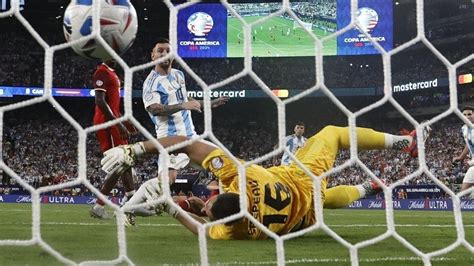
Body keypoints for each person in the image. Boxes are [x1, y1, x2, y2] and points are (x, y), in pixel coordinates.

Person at [101, 125, 425, 239]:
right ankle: (402, 142)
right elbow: (185, 142)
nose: (206, 199)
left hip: (300, 215)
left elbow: (204, 229)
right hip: (299, 178)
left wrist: (176, 210)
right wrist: (136, 150)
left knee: (323, 200)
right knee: (332, 133)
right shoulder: (239, 174)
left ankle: (368, 188)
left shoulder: (241, 230)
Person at [122, 38, 229, 222]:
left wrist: (211, 103)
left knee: (222, 163)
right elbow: (154, 108)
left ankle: (227, 210)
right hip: (170, 138)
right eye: (160, 51)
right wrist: (183, 105)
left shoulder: (179, 75)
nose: (164, 54)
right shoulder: (151, 82)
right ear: (153, 55)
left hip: (190, 135)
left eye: (167, 51)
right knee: (166, 182)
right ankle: (129, 207)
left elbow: (188, 102)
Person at [89, 60, 137, 219]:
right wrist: (117, 123)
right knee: (120, 162)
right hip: (107, 124)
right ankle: (99, 206)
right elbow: (100, 101)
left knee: (126, 159)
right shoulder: (102, 72)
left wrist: (124, 121)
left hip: (113, 121)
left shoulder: (112, 73)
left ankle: (131, 199)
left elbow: (113, 105)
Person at [453, 106, 474, 198]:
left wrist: (471, 162)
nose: (467, 116)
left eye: (469, 114)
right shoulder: (464, 129)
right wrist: (461, 157)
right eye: (464, 115)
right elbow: (468, 144)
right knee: (463, 193)